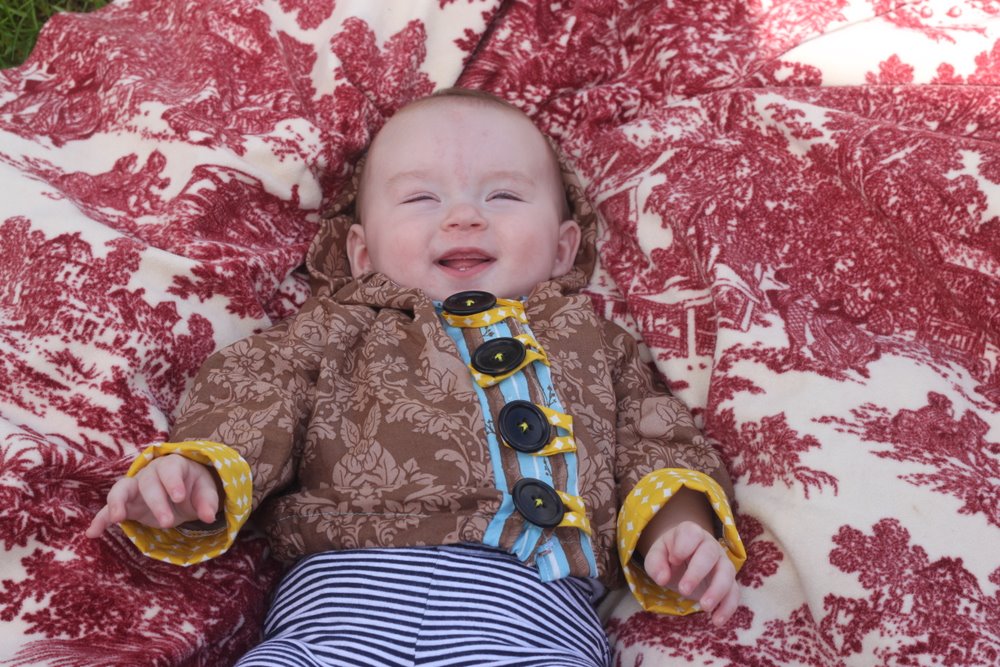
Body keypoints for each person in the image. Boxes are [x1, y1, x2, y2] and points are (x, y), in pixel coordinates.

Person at [87, 88, 746, 667]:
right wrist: (197, 472)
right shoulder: (336, 327)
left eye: (504, 195)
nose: (464, 216)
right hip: (339, 612)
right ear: (362, 252)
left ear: (563, 247)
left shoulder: (596, 342)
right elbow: (259, 392)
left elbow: (656, 439)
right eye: (421, 197)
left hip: (528, 621)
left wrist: (680, 527)